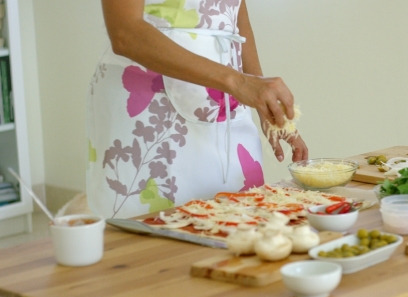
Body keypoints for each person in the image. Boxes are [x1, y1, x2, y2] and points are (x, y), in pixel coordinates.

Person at [86, 0, 308, 219]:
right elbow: (126, 33)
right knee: (149, 232)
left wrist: (261, 96)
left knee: (240, 223)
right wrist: (238, 82)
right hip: (148, 105)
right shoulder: (234, 81)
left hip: (228, 104)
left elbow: (238, 14)